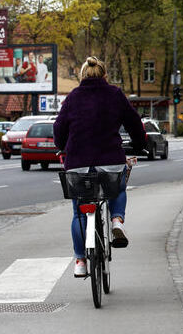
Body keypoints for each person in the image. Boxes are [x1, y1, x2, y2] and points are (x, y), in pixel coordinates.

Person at [53, 56, 146, 278]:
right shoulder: (114, 94)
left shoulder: (73, 97)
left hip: (78, 163)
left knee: (79, 212)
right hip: (110, 160)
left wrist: (61, 146)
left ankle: (80, 261)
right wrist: (140, 144)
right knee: (118, 188)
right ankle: (117, 220)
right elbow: (134, 122)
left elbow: (59, 127)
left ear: (82, 76)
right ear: (105, 75)